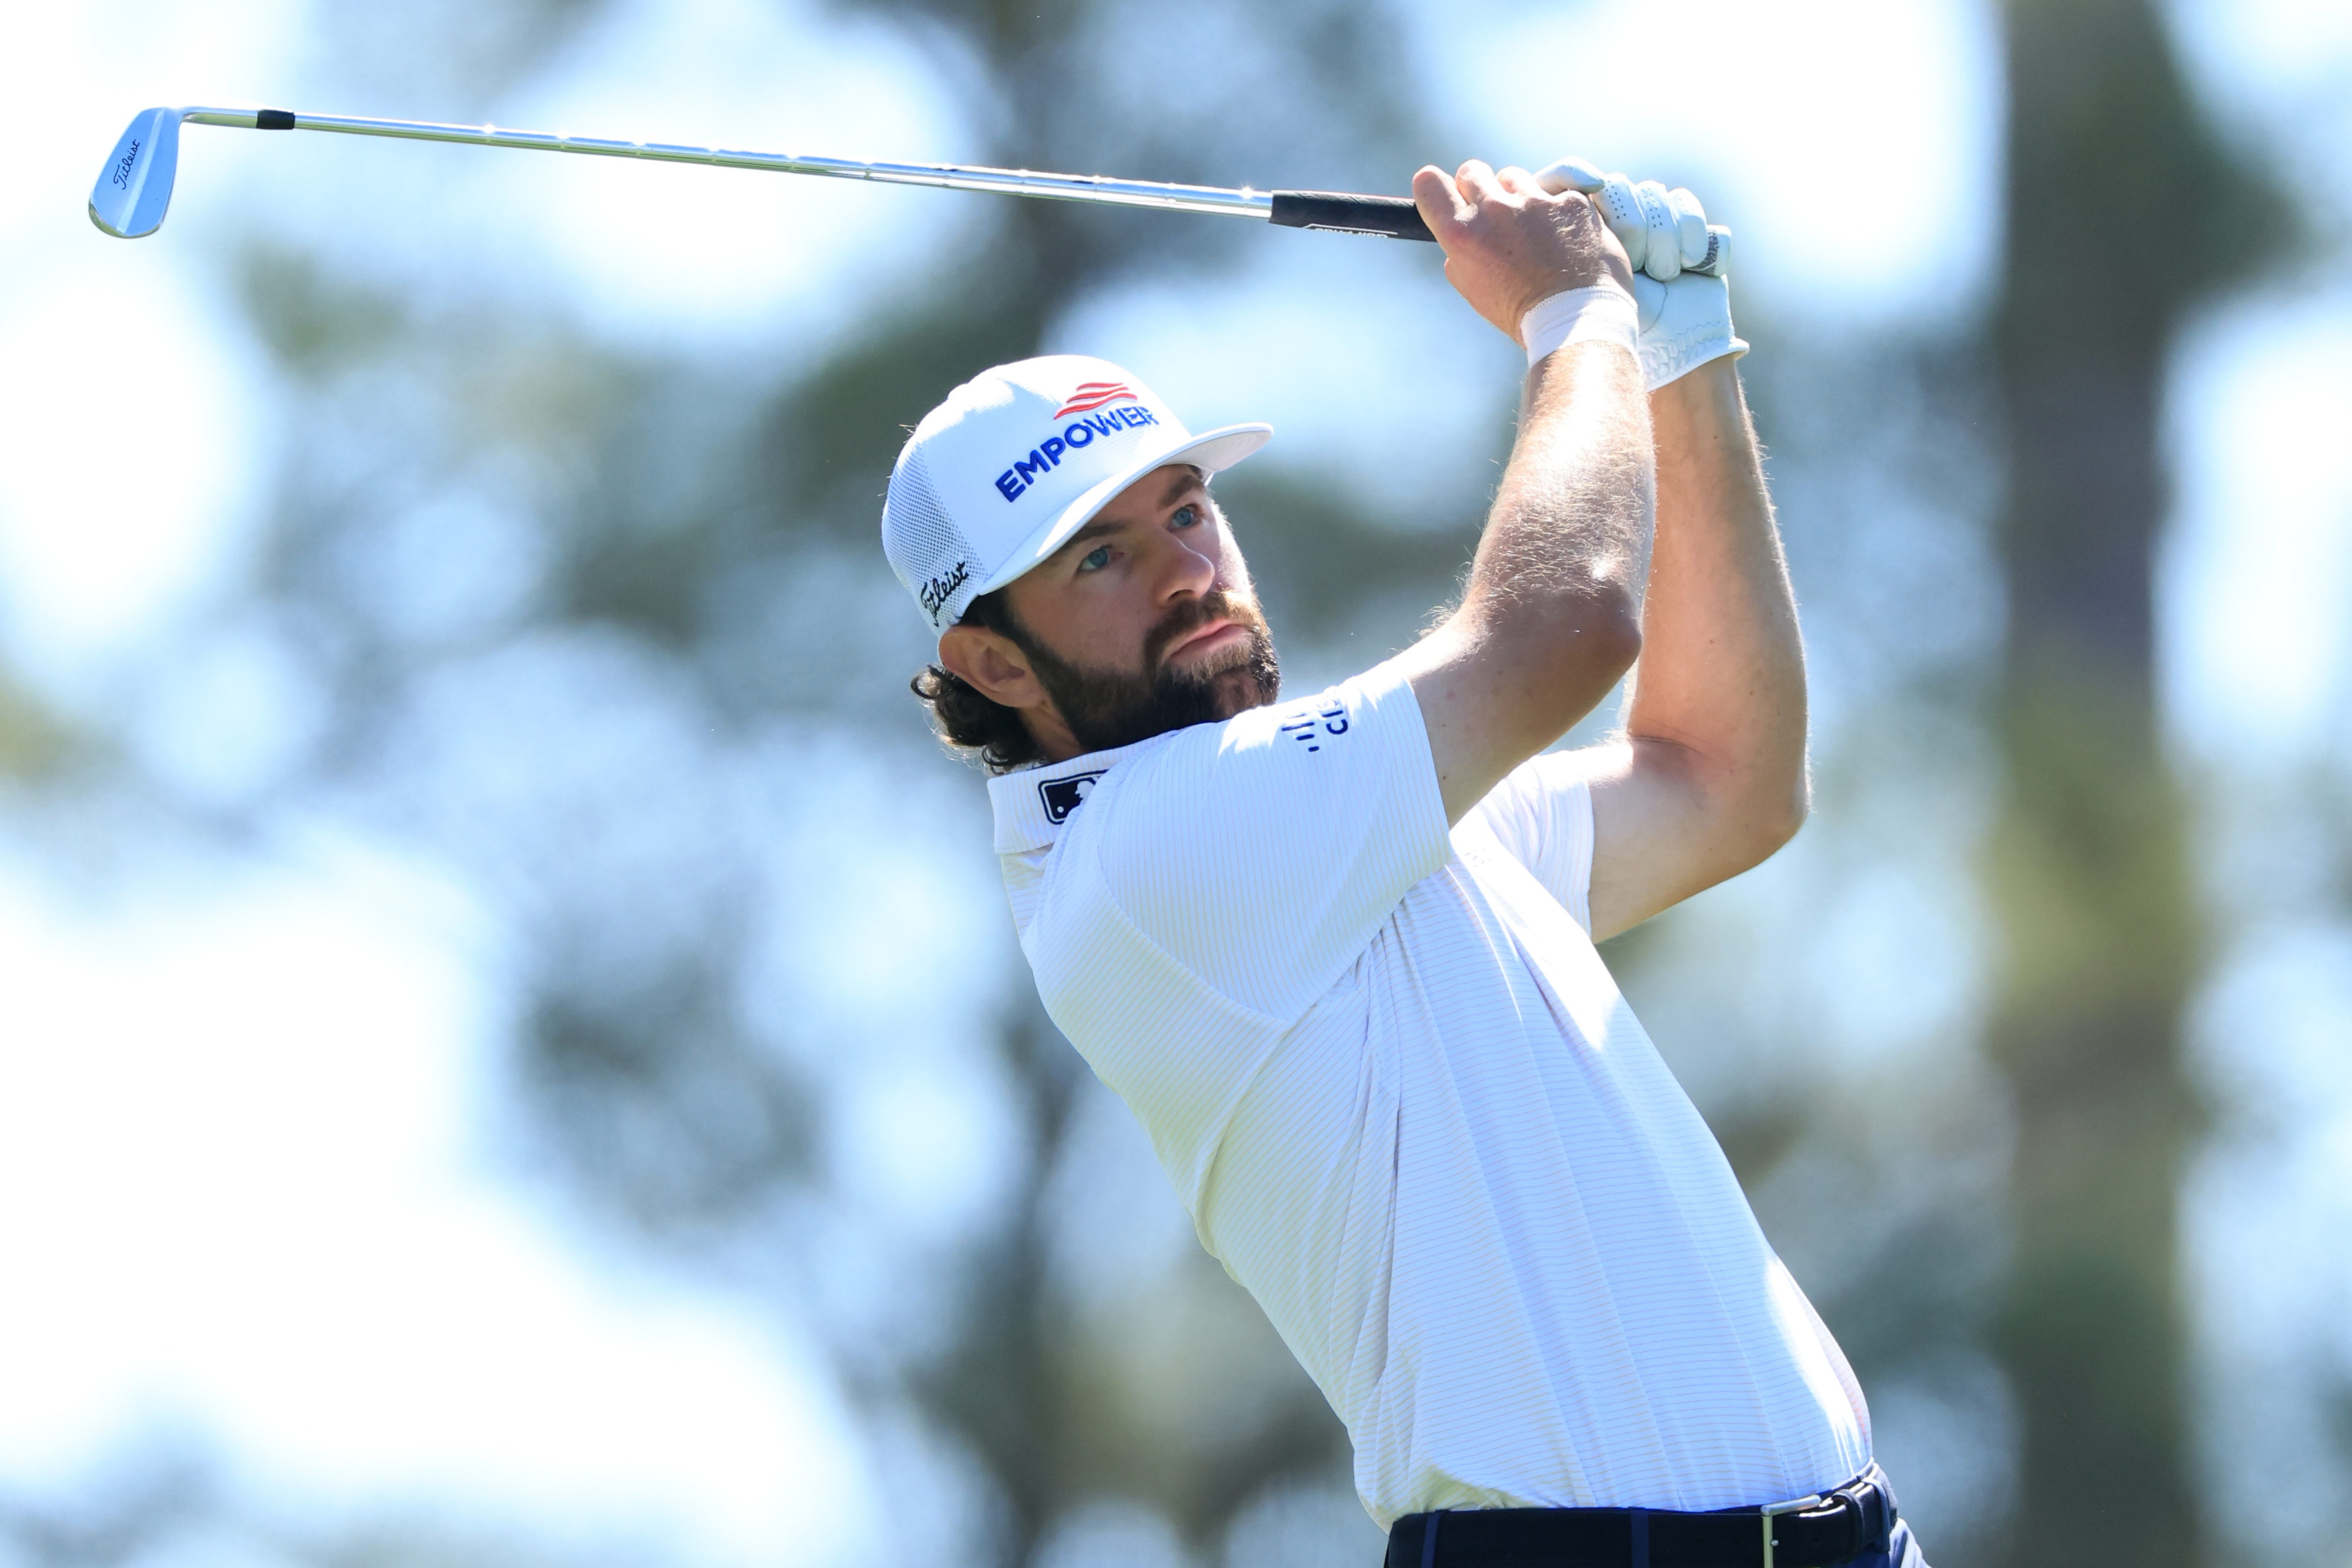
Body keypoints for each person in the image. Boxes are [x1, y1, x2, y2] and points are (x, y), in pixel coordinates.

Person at [879, 156, 1929, 1568]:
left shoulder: (1338, 825)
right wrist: (1574, 316)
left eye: (1185, 510)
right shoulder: (1151, 853)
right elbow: (1559, 625)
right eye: (1098, 560)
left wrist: (1680, 360)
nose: (1187, 570)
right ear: (992, 661)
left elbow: (1724, 781)